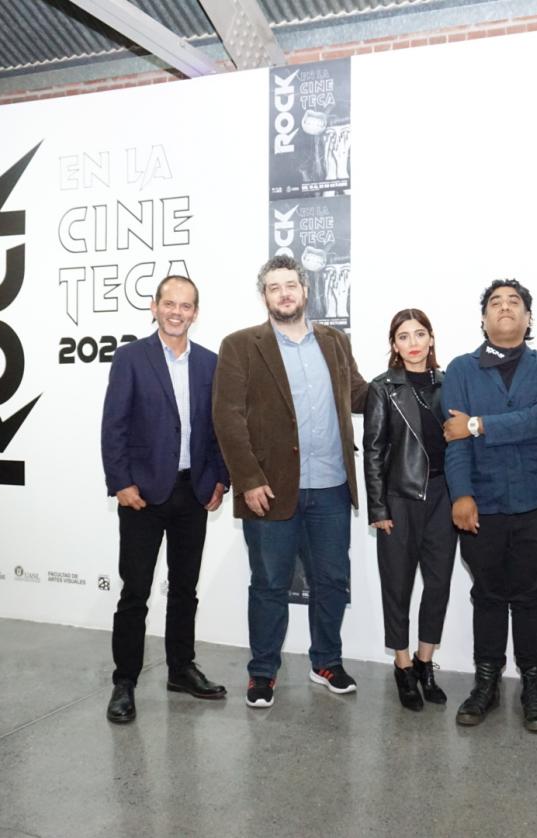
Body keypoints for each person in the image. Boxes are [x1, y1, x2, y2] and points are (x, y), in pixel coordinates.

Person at [212, 255, 368, 709]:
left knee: (332, 581)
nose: (284, 293)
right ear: (264, 296)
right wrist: (248, 479)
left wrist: (407, 379)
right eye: (274, 287)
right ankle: (263, 672)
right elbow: (227, 417)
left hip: (331, 486)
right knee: (269, 584)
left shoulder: (335, 341)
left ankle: (327, 662)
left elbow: (359, 394)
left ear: (305, 290)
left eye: (291, 285)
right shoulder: (241, 345)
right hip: (270, 489)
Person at [101, 275, 230, 724]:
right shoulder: (130, 358)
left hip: (193, 491)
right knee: (135, 592)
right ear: (154, 307)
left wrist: (221, 479)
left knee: (184, 588)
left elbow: (219, 429)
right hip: (143, 495)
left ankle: (181, 669)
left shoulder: (210, 363)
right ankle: (125, 681)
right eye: (169, 304)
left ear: (196, 312)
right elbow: (113, 425)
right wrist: (121, 482)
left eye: (186, 305)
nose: (177, 312)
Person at [443, 279, 537, 732]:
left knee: (532, 595)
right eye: (495, 302)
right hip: (482, 500)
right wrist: (461, 494)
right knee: (488, 594)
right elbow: (453, 439)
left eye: (514, 302)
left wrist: (478, 424)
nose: (505, 307)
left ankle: (534, 684)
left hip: (536, 499)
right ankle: (486, 683)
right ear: (484, 319)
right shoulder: (461, 369)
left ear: (528, 318)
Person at [362, 309, 457, 711]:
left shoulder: (451, 383)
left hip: (444, 497)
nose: (413, 343)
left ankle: (424, 661)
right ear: (395, 345)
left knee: (438, 584)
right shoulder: (383, 388)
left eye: (420, 334)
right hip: (400, 499)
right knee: (397, 585)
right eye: (404, 336)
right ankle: (402, 666)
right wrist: (378, 507)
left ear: (431, 338)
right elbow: (373, 451)